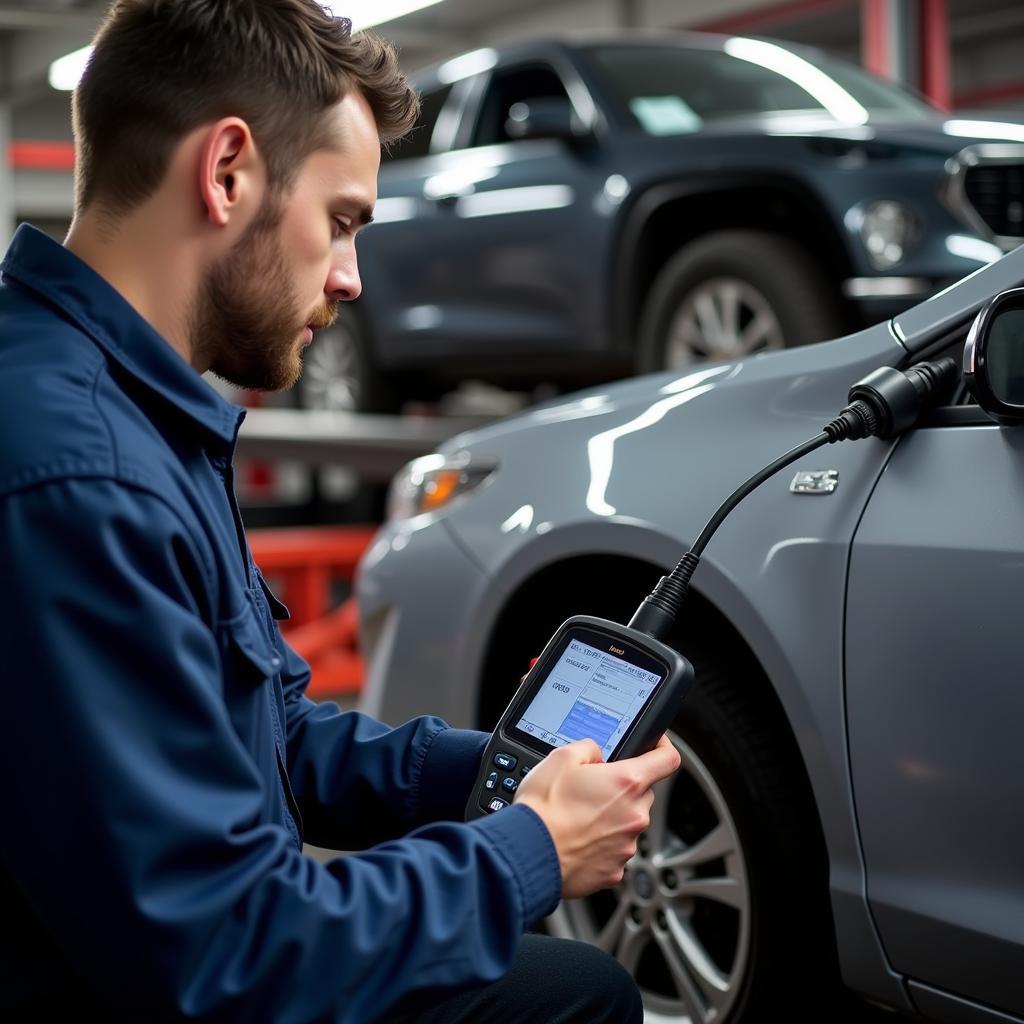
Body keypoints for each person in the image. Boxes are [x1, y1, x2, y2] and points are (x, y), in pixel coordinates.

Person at [0, 2, 681, 1021]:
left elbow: (257, 737)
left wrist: (494, 772)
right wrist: (526, 850)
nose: (353, 278)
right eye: (343, 220)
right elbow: (229, 950)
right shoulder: (84, 475)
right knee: (581, 1000)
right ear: (227, 172)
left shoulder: (121, 411)